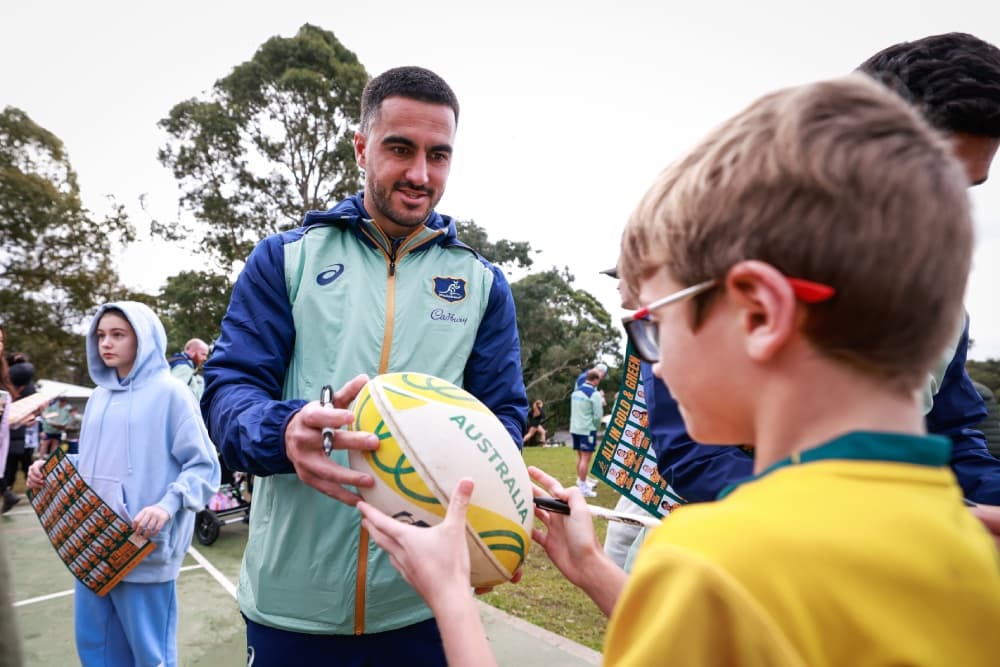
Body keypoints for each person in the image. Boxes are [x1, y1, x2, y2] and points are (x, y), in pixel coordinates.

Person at [358, 74, 1000, 665]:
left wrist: (450, 596)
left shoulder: (710, 563)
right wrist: (587, 565)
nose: (652, 364)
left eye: (654, 323)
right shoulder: (971, 552)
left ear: (760, 314)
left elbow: (720, 608)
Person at [201, 65, 527, 665]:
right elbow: (228, 391)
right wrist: (282, 431)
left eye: (439, 155)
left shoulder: (482, 285)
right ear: (361, 147)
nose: (420, 174)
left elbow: (502, 415)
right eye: (400, 149)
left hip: (421, 603)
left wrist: (485, 496)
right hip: (291, 604)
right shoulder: (285, 260)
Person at [650, 32, 1000, 505]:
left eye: (964, 190)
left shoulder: (945, 308)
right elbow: (695, 454)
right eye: (923, 181)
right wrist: (871, 516)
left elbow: (952, 433)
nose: (943, 212)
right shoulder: (712, 267)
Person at [27, 302, 220, 666]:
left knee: (152, 657)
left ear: (143, 338)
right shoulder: (98, 397)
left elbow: (204, 467)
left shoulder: (171, 395)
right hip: (92, 548)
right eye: (101, 335)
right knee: (97, 653)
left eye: (118, 334)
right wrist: (50, 470)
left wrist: (167, 505)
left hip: (144, 549)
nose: (106, 344)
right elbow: (94, 463)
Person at [1, 353, 37, 513]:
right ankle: (8, 493)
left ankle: (8, 493)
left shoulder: (9, 385)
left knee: (11, 468)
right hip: (19, 435)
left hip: (14, 436)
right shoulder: (27, 385)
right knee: (19, 466)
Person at [570, 369, 603, 497]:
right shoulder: (594, 394)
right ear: (596, 380)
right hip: (587, 429)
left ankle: (581, 481)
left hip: (575, 428)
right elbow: (597, 415)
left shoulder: (575, 392)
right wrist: (595, 427)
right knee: (586, 458)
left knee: (580, 456)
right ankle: (583, 487)